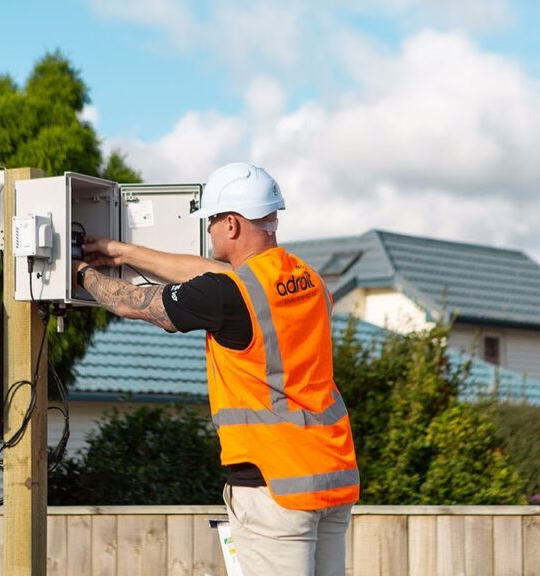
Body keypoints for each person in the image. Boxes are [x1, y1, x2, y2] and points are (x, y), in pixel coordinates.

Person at [73, 162, 359, 576]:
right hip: (330, 477)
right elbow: (218, 277)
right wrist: (125, 252)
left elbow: (129, 302)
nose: (207, 232)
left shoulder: (230, 294)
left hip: (272, 487)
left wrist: (80, 274)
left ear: (232, 224)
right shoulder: (308, 279)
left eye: (210, 222)